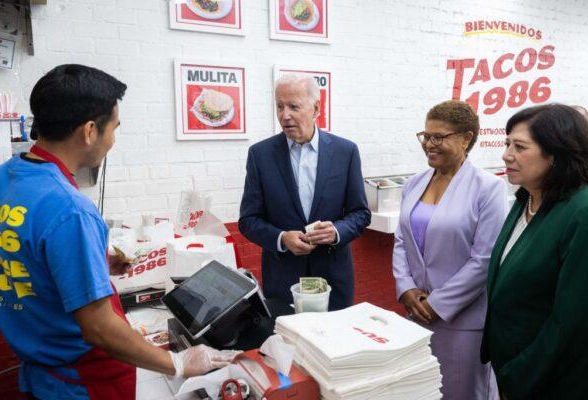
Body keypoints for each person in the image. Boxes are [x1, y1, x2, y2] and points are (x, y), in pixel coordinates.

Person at [0, 64, 236, 400]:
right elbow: (99, 328)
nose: (113, 140)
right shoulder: (70, 208)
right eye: (114, 129)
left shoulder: (0, 182)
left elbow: (23, 261)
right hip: (82, 382)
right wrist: (177, 362)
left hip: (41, 374)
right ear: (90, 131)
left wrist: (95, 265)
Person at [392, 100, 508, 399]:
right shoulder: (414, 184)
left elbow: (484, 259)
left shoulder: (488, 188)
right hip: (416, 311)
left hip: (462, 321)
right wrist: (406, 289)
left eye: (439, 137)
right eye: (425, 136)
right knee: (422, 391)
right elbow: (402, 241)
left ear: (466, 138)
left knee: (462, 393)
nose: (429, 144)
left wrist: (438, 304)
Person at [481, 104, 588, 399]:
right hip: (511, 365)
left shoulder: (580, 212)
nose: (506, 154)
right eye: (506, 143)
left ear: (555, 154)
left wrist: (520, 374)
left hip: (549, 377)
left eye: (519, 146)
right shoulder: (526, 198)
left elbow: (570, 321)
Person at [239, 73, 370, 310]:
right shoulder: (260, 155)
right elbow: (248, 220)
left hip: (333, 280)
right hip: (282, 281)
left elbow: (360, 213)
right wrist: (281, 239)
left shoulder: (346, 152)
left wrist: (337, 231)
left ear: (316, 108)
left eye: (293, 106)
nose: (284, 115)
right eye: (280, 106)